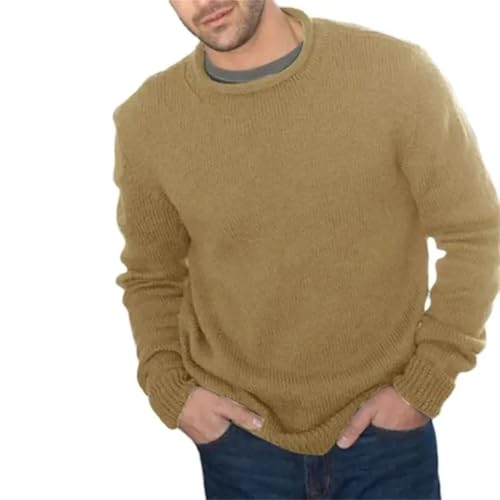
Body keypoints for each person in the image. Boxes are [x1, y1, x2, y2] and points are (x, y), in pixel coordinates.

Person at [112, 1, 500, 498]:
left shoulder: (394, 74)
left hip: (387, 437)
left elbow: (476, 233)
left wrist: (425, 383)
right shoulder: (148, 119)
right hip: (240, 444)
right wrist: (171, 391)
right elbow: (151, 276)